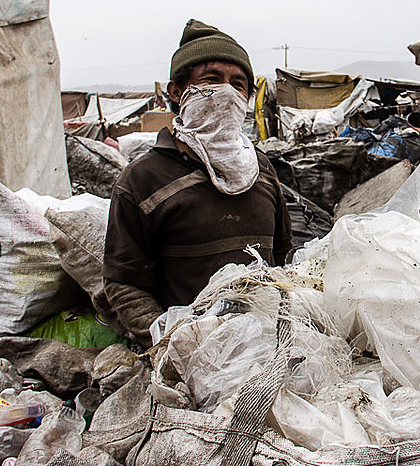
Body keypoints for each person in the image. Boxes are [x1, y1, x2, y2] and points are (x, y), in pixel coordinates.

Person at [102, 19, 292, 346]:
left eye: (238, 84)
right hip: (188, 352)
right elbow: (124, 284)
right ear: (177, 92)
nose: (227, 92)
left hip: (265, 347)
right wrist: (170, 341)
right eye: (211, 80)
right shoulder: (143, 178)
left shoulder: (260, 167)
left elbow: (284, 257)